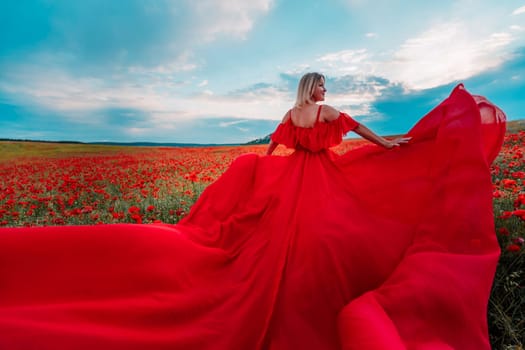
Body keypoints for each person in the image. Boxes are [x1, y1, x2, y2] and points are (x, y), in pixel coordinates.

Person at [0, 72, 506, 350]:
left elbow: (275, 145)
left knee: (286, 237)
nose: (327, 93)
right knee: (331, 229)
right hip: (325, 176)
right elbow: (357, 131)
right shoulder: (326, 113)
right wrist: (391, 147)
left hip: (291, 177)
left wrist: (262, 171)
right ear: (315, 89)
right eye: (324, 86)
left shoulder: (292, 113)